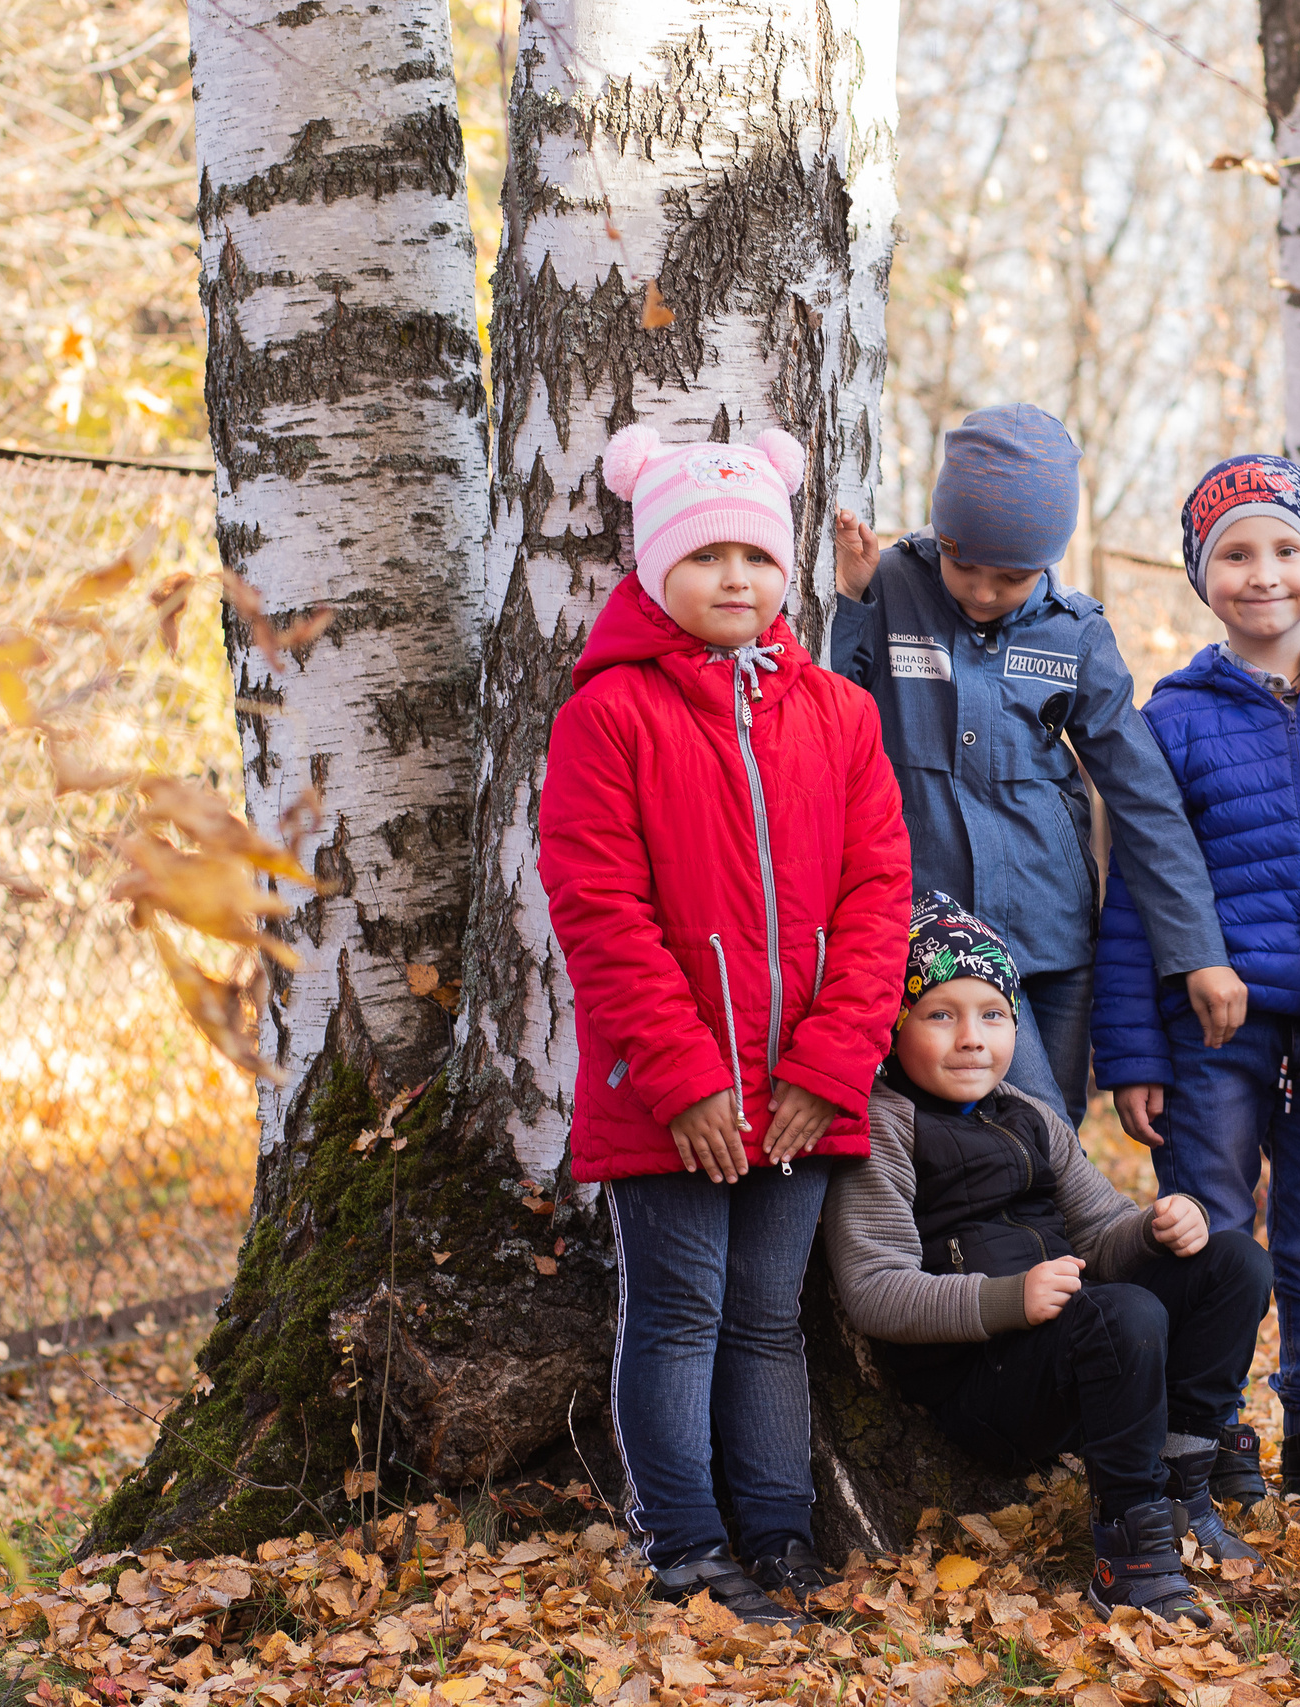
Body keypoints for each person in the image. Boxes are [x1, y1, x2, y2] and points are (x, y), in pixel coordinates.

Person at [537, 423, 910, 1625]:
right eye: (705, 555)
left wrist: (831, 1066)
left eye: (756, 553)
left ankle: (779, 1534)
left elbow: (877, 898)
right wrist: (685, 1078)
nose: (735, 577)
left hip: (803, 1088)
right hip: (670, 1094)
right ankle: (687, 1546)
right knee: (679, 1314)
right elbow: (597, 906)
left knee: (766, 1319)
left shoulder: (840, 716)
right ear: (656, 568)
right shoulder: (610, 715)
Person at [1088, 456, 1300, 1505]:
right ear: (1202, 576)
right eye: (1233, 554)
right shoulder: (1174, 719)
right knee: (1212, 1229)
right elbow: (1137, 892)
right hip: (1212, 1036)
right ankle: (1211, 1427)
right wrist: (1133, 1054)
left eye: (1283, 549)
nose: (1261, 573)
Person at [823, 895, 1275, 1624]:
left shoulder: (1030, 1114)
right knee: (1125, 1314)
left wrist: (1157, 1227)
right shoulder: (884, 1124)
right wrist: (1008, 1298)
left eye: (992, 1015)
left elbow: (1102, 1232)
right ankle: (1129, 1551)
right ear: (894, 1023)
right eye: (940, 1014)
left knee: (1234, 1261)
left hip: (1077, 1346)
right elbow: (875, 1288)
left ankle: (1183, 1485)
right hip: (981, 1382)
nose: (972, 1039)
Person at [830, 403, 1243, 1119]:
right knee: (1017, 1135)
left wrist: (1198, 949)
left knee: (1053, 1126)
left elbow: (1143, 797)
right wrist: (849, 604)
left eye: (1014, 576)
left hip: (1049, 940)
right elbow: (824, 717)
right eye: (965, 564)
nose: (983, 591)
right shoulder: (889, 588)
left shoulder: (1075, 632)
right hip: (922, 936)